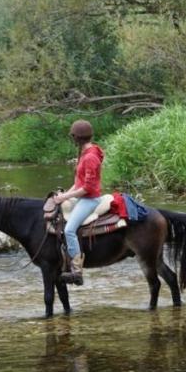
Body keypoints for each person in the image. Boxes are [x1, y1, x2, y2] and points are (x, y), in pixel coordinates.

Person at [48, 119, 104, 285]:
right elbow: (80, 182)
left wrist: (65, 197)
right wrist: (66, 193)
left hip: (90, 199)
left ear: (76, 137)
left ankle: (77, 270)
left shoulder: (90, 157)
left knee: (70, 230)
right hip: (82, 196)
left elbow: (87, 188)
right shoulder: (87, 152)